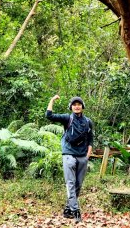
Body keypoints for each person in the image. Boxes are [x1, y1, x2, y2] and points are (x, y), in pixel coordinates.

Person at [46, 95, 94, 223]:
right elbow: (49, 116)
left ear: (82, 107)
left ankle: (67, 210)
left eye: (79, 104)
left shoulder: (88, 121)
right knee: (70, 183)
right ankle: (76, 211)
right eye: (74, 104)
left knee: (78, 184)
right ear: (71, 107)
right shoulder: (67, 118)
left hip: (82, 156)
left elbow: (90, 140)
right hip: (68, 154)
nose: (77, 106)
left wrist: (87, 155)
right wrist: (52, 100)